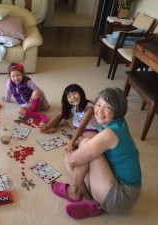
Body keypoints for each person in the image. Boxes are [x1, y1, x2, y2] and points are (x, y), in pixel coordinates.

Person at [50, 87, 141, 219]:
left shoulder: (109, 133)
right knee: (78, 152)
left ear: (118, 110)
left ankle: (74, 191)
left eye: (107, 107)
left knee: (79, 152)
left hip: (122, 197)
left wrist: (77, 152)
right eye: (98, 104)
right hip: (117, 183)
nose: (99, 111)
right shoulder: (115, 123)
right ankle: (88, 199)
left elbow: (75, 160)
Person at [41, 84, 98, 151]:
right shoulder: (73, 105)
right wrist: (48, 125)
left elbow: (80, 128)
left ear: (81, 92)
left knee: (97, 139)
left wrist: (71, 143)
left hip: (87, 129)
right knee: (64, 111)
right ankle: (54, 127)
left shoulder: (89, 109)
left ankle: (77, 144)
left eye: (75, 93)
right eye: (69, 96)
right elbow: (59, 114)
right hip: (75, 125)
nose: (73, 97)